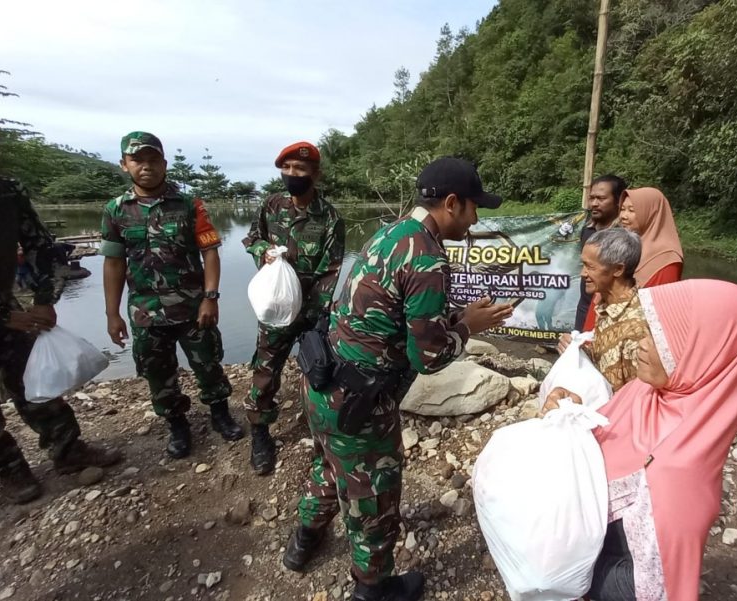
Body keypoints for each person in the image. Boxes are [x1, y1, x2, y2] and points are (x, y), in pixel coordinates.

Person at [284, 157, 514, 601]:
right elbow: (426, 357)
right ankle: (374, 589)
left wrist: (457, 317)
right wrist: (468, 328)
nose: (477, 217)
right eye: (474, 207)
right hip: (359, 403)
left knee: (328, 466)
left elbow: (392, 316)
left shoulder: (391, 233)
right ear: (452, 203)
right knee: (374, 498)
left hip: (321, 382)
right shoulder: (427, 256)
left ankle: (303, 543)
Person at [0, 104, 122, 504]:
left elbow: (41, 247)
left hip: (10, 312)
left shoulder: (9, 192)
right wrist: (2, 313)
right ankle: (9, 470)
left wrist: (46, 299)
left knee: (37, 384)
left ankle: (68, 451)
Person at [544, 279, 737, 601]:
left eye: (661, 337)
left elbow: (644, 590)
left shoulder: (675, 469)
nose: (641, 343)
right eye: (648, 329)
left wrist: (569, 567)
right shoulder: (649, 393)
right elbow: (606, 431)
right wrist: (573, 411)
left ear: (706, 354)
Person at [101, 131, 243, 459]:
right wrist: (112, 313)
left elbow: (209, 252)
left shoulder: (190, 206)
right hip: (145, 311)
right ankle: (177, 424)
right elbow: (113, 264)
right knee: (157, 371)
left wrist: (211, 296)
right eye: (137, 160)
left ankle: (220, 413)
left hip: (192, 306)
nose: (146, 166)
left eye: (153, 160)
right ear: (124, 165)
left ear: (164, 164)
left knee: (208, 363)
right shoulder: (116, 210)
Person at [241, 141, 345, 475]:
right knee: (266, 370)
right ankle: (259, 432)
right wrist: (263, 252)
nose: (291, 174)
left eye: (299, 169)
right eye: (285, 169)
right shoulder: (271, 205)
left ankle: (322, 435)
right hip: (275, 308)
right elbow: (251, 238)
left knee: (319, 373)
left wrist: (315, 316)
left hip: (311, 313)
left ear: (315, 173)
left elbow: (331, 271)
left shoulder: (329, 218)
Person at [554, 228, 648, 391]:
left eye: (590, 267)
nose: (583, 273)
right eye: (583, 265)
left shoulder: (638, 327)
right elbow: (604, 362)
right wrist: (578, 351)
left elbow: (640, 395)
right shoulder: (607, 304)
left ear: (618, 269)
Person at [581, 187, 684, 332]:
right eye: (622, 209)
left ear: (651, 213)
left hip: (633, 331)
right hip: (604, 318)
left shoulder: (667, 258)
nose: (624, 215)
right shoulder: (623, 245)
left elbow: (659, 312)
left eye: (632, 210)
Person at [574, 175, 626, 332]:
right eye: (592, 198)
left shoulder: (626, 236)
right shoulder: (587, 230)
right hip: (585, 308)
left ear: (618, 200)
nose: (594, 204)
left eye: (601, 198)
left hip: (612, 314)